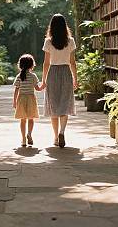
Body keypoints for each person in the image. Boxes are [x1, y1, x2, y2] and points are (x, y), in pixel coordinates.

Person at [41, 13, 77, 148]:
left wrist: (44, 80)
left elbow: (45, 63)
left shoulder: (48, 41)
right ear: (64, 26)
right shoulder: (71, 41)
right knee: (64, 104)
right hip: (66, 73)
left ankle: (56, 137)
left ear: (52, 26)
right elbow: (73, 62)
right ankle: (62, 132)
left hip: (53, 73)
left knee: (53, 106)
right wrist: (75, 78)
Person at [13, 54, 43, 147]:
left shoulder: (19, 76)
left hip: (21, 99)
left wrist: (14, 102)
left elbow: (16, 90)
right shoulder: (33, 76)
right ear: (31, 65)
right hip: (31, 98)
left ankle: (23, 139)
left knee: (23, 120)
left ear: (20, 65)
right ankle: (29, 134)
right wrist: (43, 86)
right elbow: (37, 88)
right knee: (31, 118)